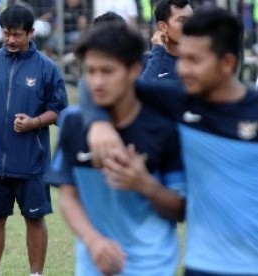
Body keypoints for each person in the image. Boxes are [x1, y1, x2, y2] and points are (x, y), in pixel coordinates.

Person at [82, 7, 258, 275]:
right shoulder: (177, 102)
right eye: (182, 58)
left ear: (227, 64)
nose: (183, 69)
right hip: (202, 266)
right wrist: (98, 122)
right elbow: (96, 84)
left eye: (194, 60)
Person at [48, 22, 185, 275]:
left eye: (107, 71)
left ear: (134, 70)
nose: (97, 82)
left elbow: (181, 209)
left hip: (152, 264)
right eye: (90, 71)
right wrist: (93, 241)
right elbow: (68, 196)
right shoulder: (73, 123)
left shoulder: (164, 127)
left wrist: (145, 184)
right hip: (94, 263)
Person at [0, 5, 68, 275]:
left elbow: (58, 110)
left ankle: (36, 274)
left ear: (31, 33)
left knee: (35, 219)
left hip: (32, 162)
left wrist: (35, 122)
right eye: (6, 34)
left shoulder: (47, 68)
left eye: (17, 35)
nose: (10, 40)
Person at [141, 0, 193, 81]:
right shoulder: (147, 62)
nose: (190, 25)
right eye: (182, 20)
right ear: (163, 27)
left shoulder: (201, 59)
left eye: (191, 20)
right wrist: (157, 50)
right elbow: (143, 89)